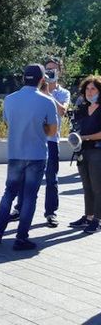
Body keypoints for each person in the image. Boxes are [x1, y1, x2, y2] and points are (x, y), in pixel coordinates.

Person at [0, 64, 58, 250]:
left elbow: (8, 122)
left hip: (15, 154)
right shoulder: (47, 101)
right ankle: (21, 238)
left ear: (23, 78)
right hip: (36, 155)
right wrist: (38, 127)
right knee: (29, 197)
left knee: (9, 193)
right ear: (42, 79)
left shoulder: (9, 99)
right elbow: (52, 131)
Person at [9, 58, 70, 227]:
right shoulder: (33, 90)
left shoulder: (63, 92)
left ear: (59, 72)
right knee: (23, 177)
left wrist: (49, 95)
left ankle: (51, 212)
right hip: (33, 140)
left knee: (51, 178)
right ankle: (19, 209)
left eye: (53, 70)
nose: (50, 73)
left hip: (51, 140)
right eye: (47, 70)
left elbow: (63, 111)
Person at [68, 75, 101, 234]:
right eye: (87, 88)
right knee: (87, 187)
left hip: (97, 151)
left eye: (93, 88)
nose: (89, 91)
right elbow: (75, 128)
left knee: (98, 187)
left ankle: (98, 220)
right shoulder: (82, 108)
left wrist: (85, 137)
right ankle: (88, 217)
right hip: (82, 151)